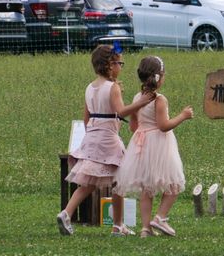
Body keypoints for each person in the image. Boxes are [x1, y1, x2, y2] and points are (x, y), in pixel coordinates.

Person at [56, 44, 156, 236]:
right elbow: (121, 111)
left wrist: (92, 137)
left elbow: (86, 118)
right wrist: (140, 103)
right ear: (110, 65)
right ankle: (118, 226)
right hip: (109, 139)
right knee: (121, 180)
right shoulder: (113, 87)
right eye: (120, 63)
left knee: (88, 183)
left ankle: (66, 213)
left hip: (92, 136)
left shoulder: (89, 87)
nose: (121, 67)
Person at [114, 56, 193, 238]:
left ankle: (145, 228)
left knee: (146, 189)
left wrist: (142, 128)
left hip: (141, 143)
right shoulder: (159, 99)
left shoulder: (137, 97)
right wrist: (183, 115)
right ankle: (160, 217)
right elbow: (163, 125)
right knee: (173, 183)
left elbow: (133, 126)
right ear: (160, 77)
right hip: (160, 143)